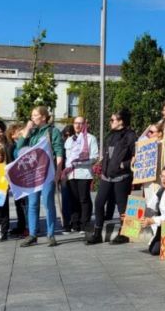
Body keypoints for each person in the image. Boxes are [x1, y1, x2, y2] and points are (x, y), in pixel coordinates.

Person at [86, 109, 137, 245]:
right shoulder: (111, 135)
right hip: (107, 175)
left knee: (122, 206)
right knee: (99, 202)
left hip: (122, 176)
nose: (111, 122)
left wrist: (123, 165)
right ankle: (97, 233)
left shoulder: (130, 135)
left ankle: (125, 234)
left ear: (121, 121)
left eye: (113, 120)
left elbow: (136, 155)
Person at [16, 106, 65, 247]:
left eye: (35, 115)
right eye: (32, 115)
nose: (32, 117)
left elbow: (59, 152)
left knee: (48, 203)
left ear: (43, 117)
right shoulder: (32, 132)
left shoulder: (52, 131)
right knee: (32, 204)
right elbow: (19, 147)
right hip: (32, 174)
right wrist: (26, 129)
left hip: (47, 173)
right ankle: (33, 234)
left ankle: (51, 234)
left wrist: (58, 172)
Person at [64, 116, 99, 235]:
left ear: (85, 124)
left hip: (84, 173)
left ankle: (85, 224)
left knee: (84, 199)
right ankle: (75, 223)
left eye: (80, 123)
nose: (78, 125)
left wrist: (81, 162)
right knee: (73, 199)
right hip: (71, 174)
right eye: (75, 123)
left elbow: (94, 157)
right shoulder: (69, 140)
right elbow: (67, 158)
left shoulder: (90, 138)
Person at [6, 123, 28, 238]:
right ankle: (21, 225)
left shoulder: (25, 144)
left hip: (25, 179)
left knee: (25, 204)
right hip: (16, 179)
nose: (22, 133)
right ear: (12, 135)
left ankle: (27, 227)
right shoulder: (11, 147)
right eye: (19, 132)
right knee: (19, 204)